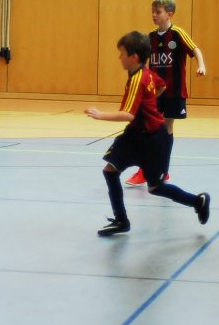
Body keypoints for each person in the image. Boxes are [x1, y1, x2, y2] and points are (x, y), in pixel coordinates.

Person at [85, 31, 210, 236]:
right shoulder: (147, 74)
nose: (119, 57)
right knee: (110, 171)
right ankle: (121, 220)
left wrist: (100, 115)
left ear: (134, 57)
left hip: (152, 139)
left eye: (122, 53)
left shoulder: (138, 79)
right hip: (134, 136)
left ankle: (198, 201)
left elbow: (127, 115)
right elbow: (161, 85)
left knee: (155, 187)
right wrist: (149, 101)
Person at [125, 0, 206, 187]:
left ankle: (163, 171)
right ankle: (145, 171)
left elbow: (196, 50)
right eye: (152, 11)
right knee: (148, 129)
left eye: (158, 12)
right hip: (155, 92)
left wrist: (201, 66)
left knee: (166, 129)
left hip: (174, 92)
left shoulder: (178, 34)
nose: (154, 15)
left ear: (169, 14)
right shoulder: (150, 37)